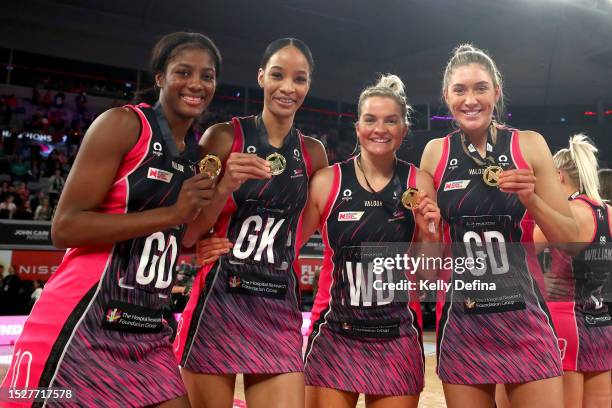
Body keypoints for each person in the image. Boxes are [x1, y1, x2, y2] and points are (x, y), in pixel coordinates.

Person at [0, 31, 222, 408]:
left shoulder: (198, 157)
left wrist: (212, 217)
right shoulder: (123, 125)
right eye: (183, 72)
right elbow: (65, 227)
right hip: (82, 321)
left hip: (148, 329)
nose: (197, 84)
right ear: (159, 78)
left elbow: (181, 237)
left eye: (208, 75)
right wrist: (172, 214)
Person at [420, 44, 577, 408]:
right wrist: (427, 230)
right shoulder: (435, 153)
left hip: (525, 317)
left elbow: (571, 242)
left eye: (480, 88)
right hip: (463, 321)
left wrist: (532, 200)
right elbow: (428, 262)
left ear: (496, 92)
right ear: (447, 96)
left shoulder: (529, 145)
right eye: (460, 90)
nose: (470, 99)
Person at [174, 38, 328, 408]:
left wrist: (272, 251)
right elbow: (188, 229)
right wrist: (225, 187)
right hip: (218, 301)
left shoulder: (313, 153)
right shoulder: (223, 137)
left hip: (277, 307)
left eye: (299, 79)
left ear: (308, 86)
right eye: (277, 75)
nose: (287, 87)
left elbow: (298, 234)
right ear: (261, 77)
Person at [301, 74, 440, 408]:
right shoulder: (326, 181)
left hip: (397, 335)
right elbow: (285, 245)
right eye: (371, 119)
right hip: (334, 333)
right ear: (357, 127)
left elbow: (429, 277)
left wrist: (428, 231)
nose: (380, 129)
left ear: (404, 130)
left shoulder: (418, 182)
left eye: (391, 121)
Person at [534, 135, 611, 408]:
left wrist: (541, 280)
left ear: (558, 175)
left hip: (567, 320)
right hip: (603, 324)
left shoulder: (566, 213)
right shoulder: (609, 213)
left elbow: (517, 259)